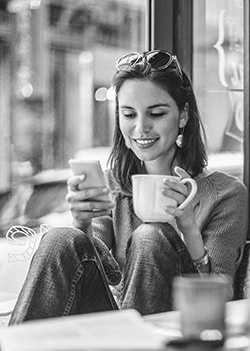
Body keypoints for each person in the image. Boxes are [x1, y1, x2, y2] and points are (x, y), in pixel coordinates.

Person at [9, 50, 248, 324]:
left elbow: (220, 293)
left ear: (183, 116)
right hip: (115, 327)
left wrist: (189, 229)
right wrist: (82, 223)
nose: (141, 127)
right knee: (59, 237)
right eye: (129, 114)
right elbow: (100, 268)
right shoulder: (113, 183)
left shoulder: (226, 194)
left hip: (179, 326)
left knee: (151, 235)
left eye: (156, 113)